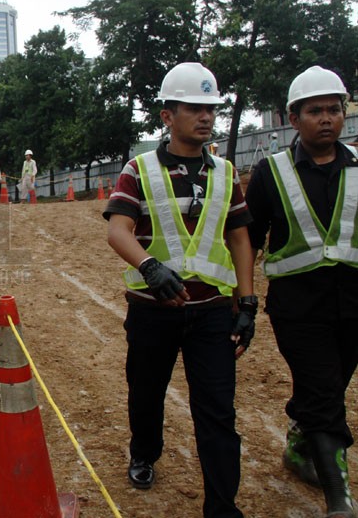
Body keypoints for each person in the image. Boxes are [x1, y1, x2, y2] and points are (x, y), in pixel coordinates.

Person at [104, 62, 255, 518]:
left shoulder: (226, 173)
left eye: (211, 109)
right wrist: (150, 267)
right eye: (194, 108)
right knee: (146, 393)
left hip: (211, 313)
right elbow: (118, 229)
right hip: (153, 310)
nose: (205, 117)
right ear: (168, 115)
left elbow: (240, 237)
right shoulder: (139, 169)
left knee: (217, 413)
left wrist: (247, 301)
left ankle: (222, 506)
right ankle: (144, 451)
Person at [245, 66, 358, 518]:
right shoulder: (271, 173)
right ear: (294, 119)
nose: (327, 118)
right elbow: (247, 241)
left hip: (354, 303)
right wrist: (244, 300)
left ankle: (298, 440)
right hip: (298, 307)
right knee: (322, 390)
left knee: (331, 383)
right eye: (315, 111)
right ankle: (339, 494)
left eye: (334, 109)